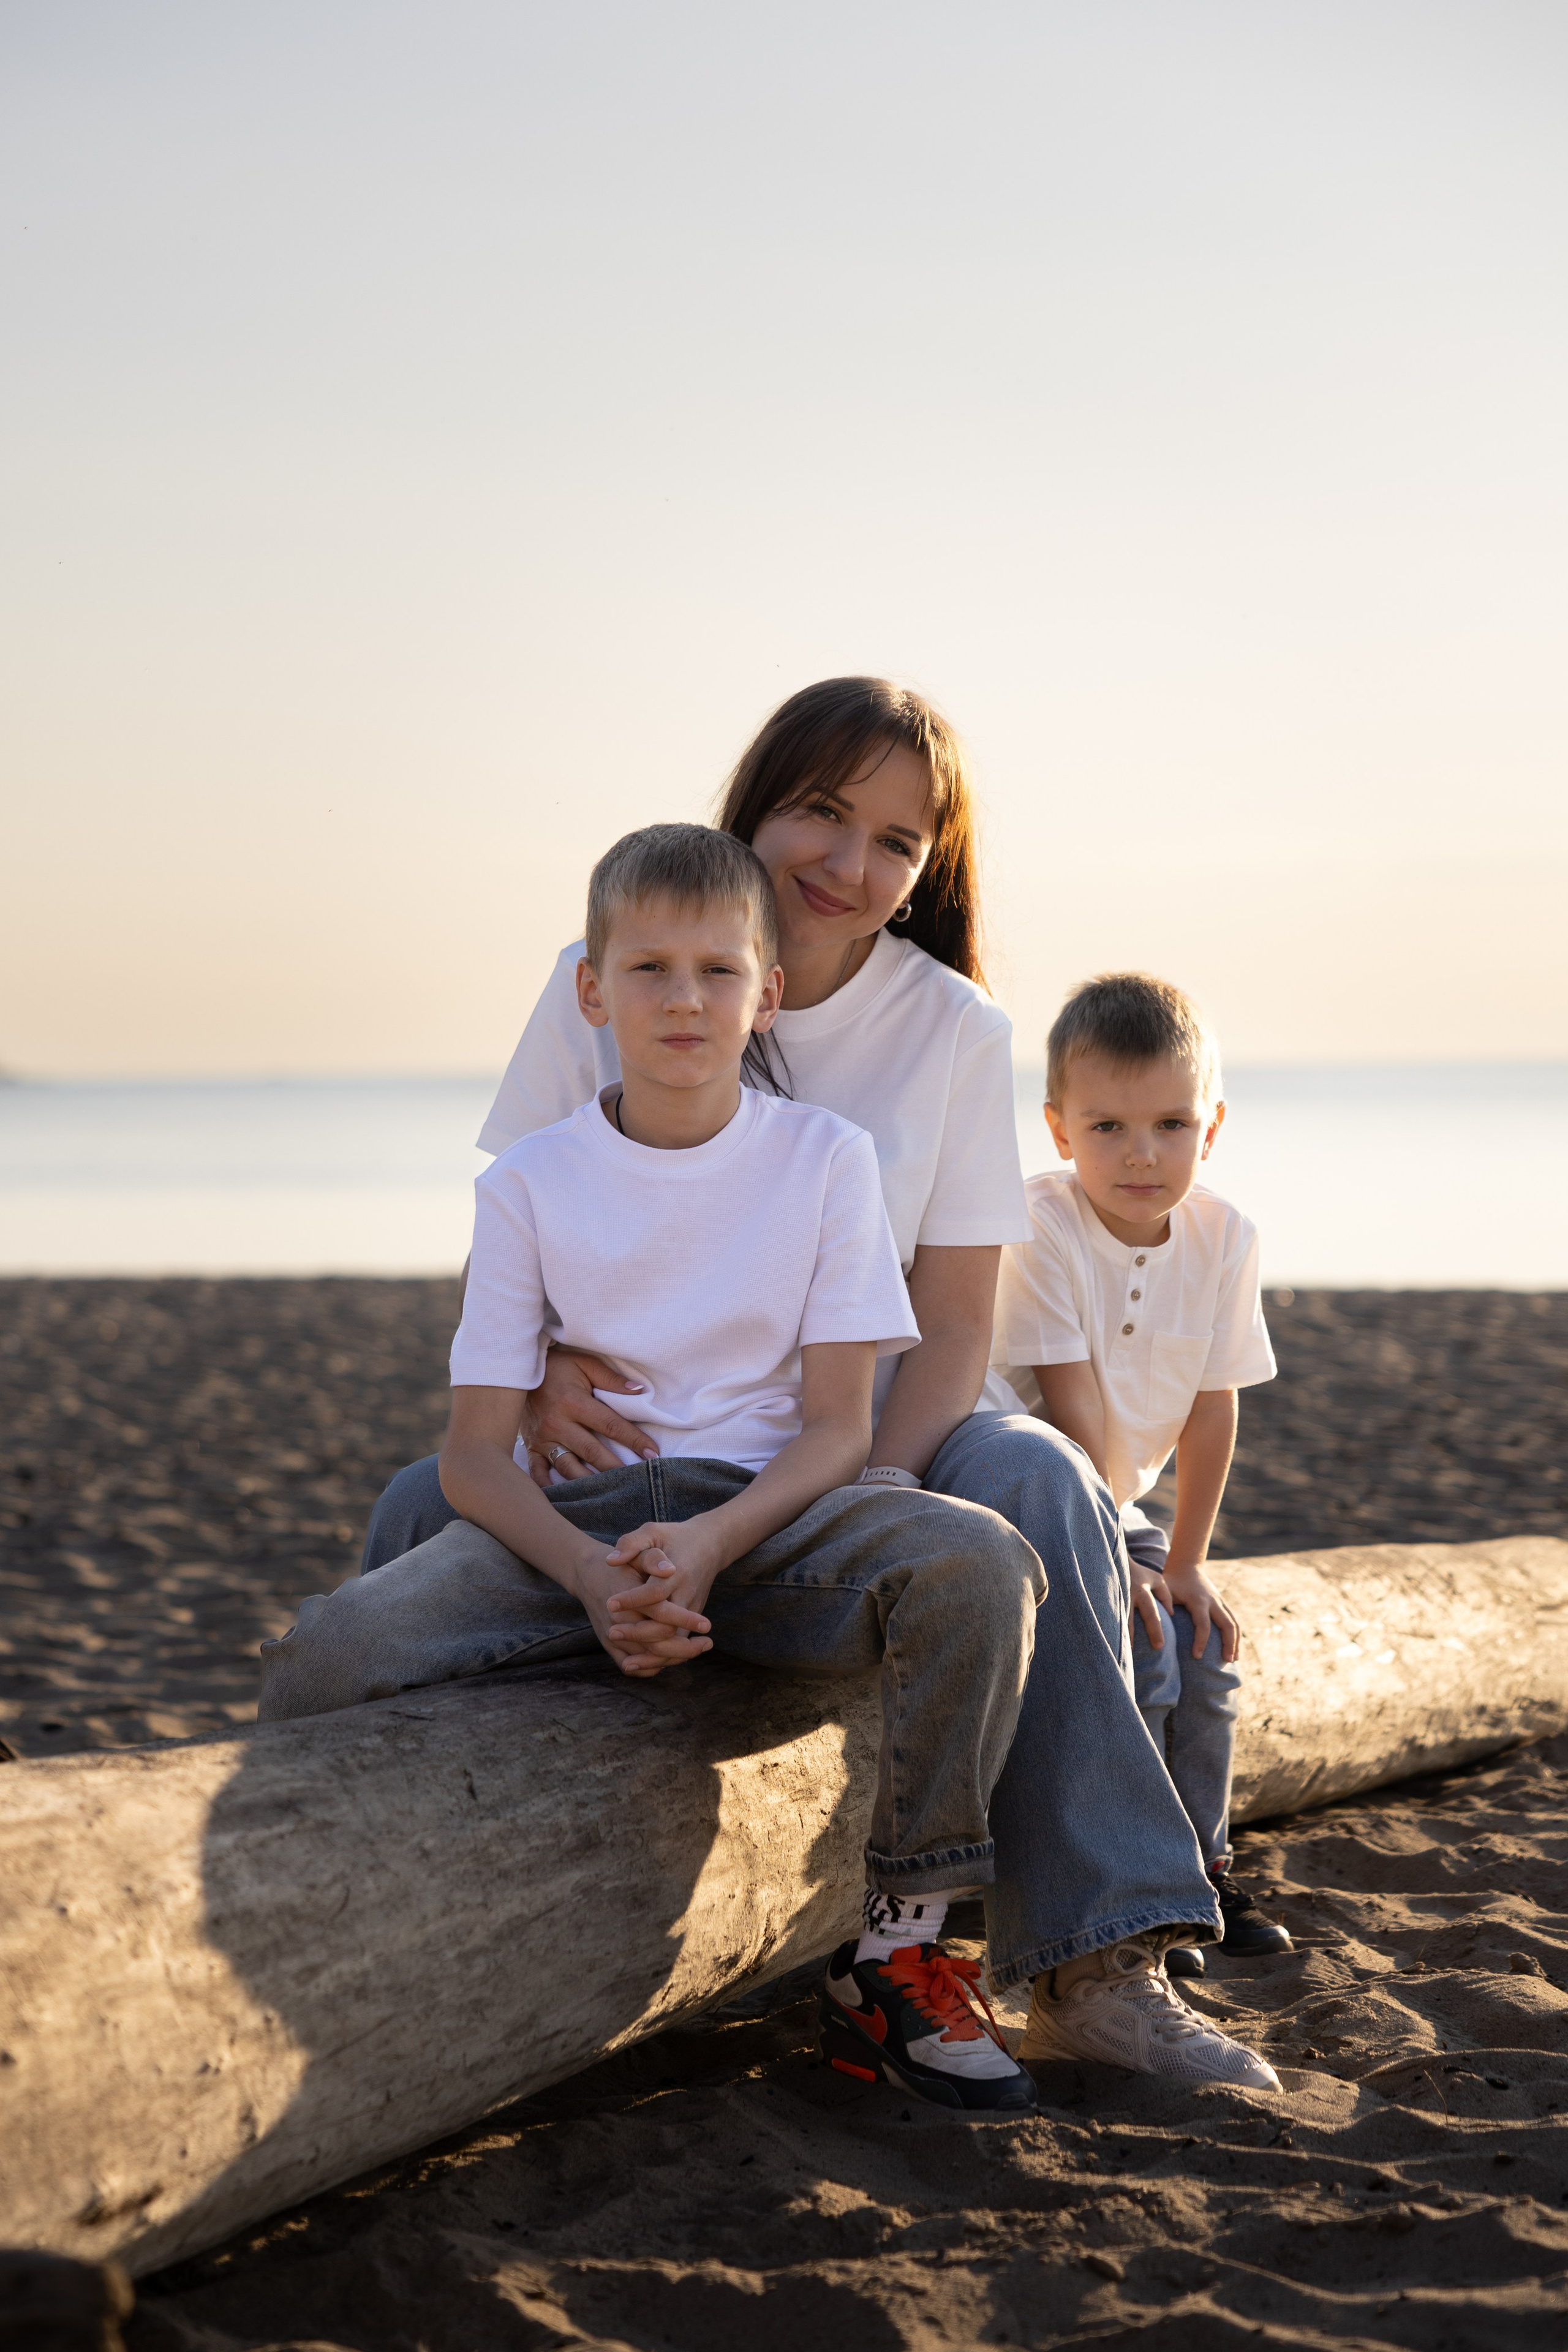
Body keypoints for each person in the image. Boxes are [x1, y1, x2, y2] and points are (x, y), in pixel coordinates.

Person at [364, 677, 1279, 2093]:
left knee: (1037, 1476)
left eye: (898, 842)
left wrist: (865, 1486)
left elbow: (956, 1323)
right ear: (760, 801)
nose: (851, 866)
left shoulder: (957, 1031)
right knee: (417, 1512)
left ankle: (1097, 1964)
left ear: (929, 871)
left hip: (898, 1424)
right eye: (822, 813)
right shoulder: (606, 972)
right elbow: (530, 1212)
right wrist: (540, 1376)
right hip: (659, 1423)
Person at [260, 821, 1046, 2116]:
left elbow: (840, 1430)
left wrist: (711, 1544)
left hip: (772, 1523)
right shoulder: (529, 1182)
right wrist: (585, 1573)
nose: (684, 1000)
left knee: (979, 1565)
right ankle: (364, 1918)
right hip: (577, 1525)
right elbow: (473, 1453)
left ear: (764, 991)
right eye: (649, 970)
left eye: (717, 972)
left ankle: (900, 1939)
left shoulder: (825, 1163)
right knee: (319, 1660)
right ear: (592, 989)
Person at [992, 973, 1292, 2004]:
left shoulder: (1224, 1236)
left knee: (1204, 1649)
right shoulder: (1038, 1226)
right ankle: (1140, 1882)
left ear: (1211, 1126)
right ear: (1058, 1128)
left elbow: (1215, 1408)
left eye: (1171, 1124)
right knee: (1146, 1653)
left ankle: (1203, 1864)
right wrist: (1119, 1560)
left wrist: (1192, 1564)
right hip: (1029, 1495)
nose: (1141, 1153)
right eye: (1108, 1125)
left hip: (1126, 1505)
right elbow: (1068, 1413)